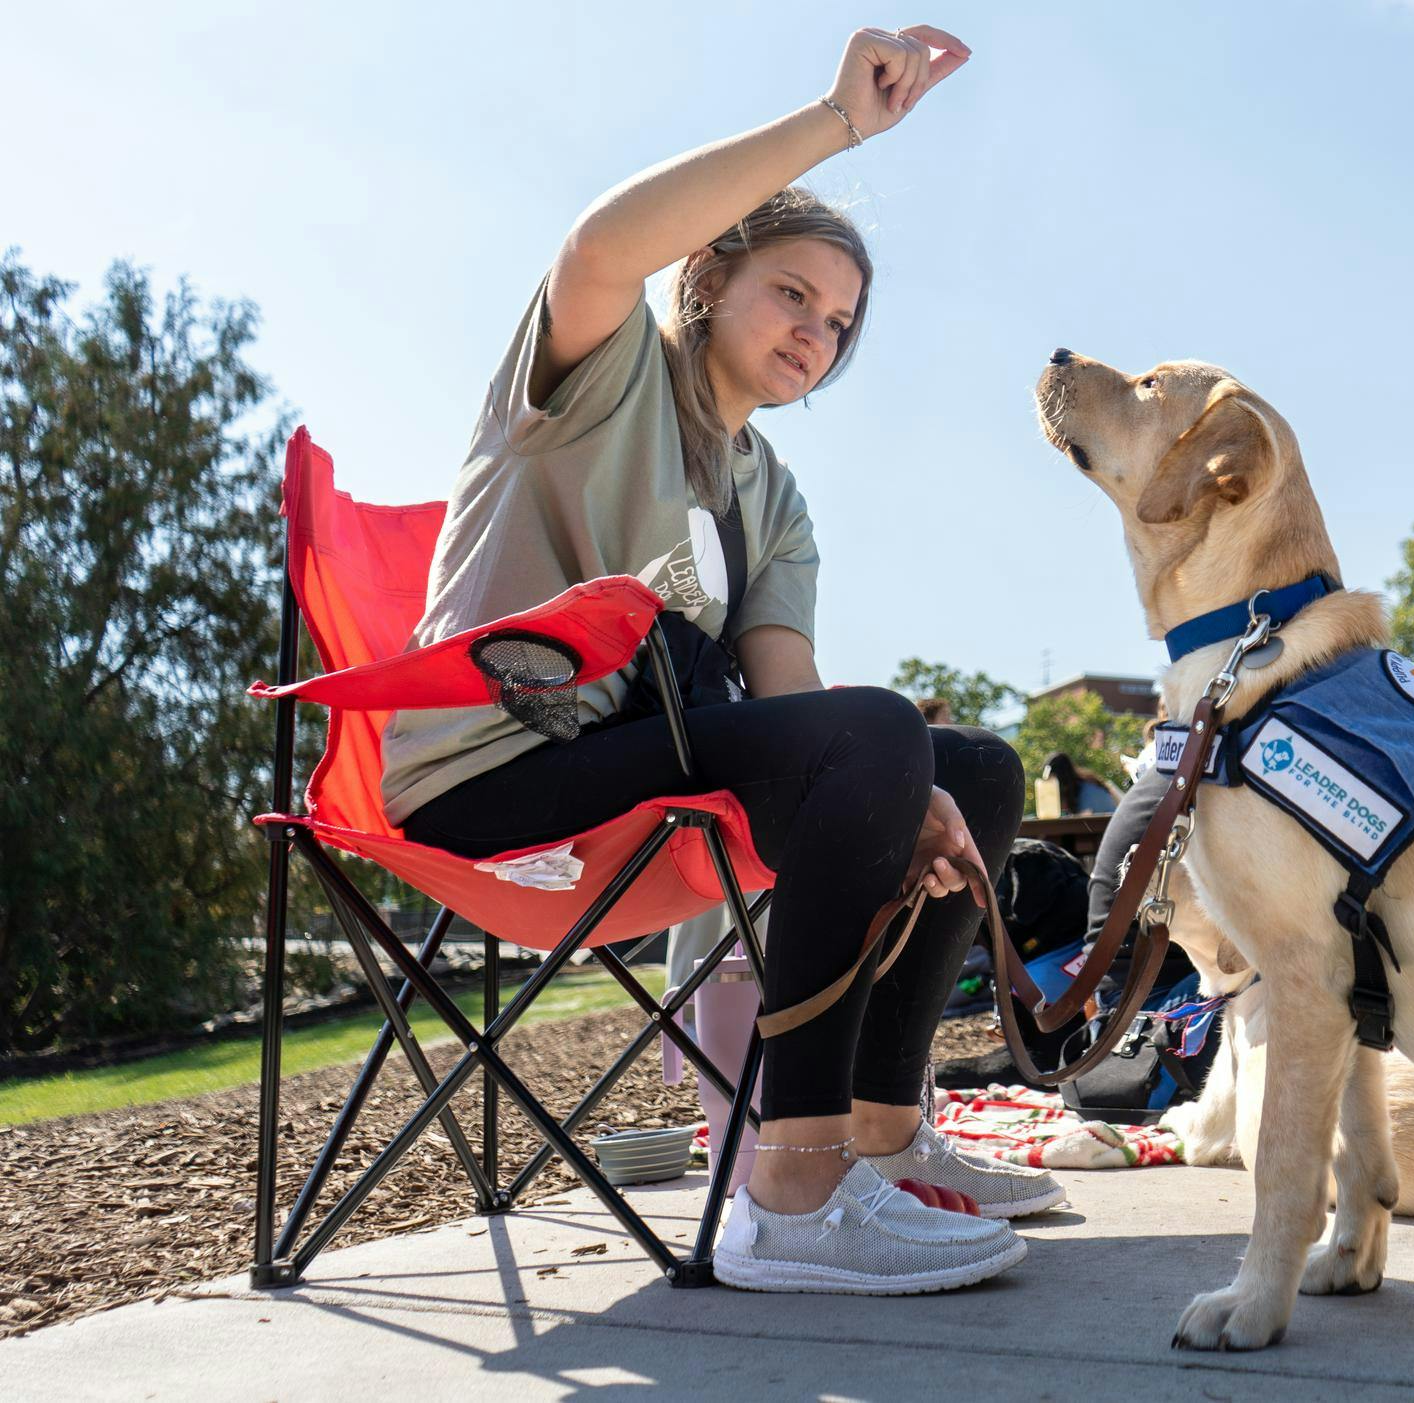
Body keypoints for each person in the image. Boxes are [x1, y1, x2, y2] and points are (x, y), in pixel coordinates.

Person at [378, 25, 1061, 1294]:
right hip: (488, 779)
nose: (816, 330)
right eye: (790, 292)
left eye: (839, 322)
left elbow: (792, 696)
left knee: (964, 761)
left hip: (637, 776)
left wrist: (915, 789)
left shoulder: (773, 495)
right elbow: (594, 250)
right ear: (707, 279)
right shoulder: (601, 373)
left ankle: (880, 1136)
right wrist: (834, 123)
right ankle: (790, 1190)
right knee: (882, 738)